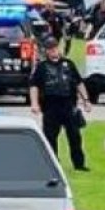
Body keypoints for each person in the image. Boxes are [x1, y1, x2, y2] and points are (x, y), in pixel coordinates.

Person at [29, 36, 92, 172]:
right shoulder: (42, 67)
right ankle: (53, 164)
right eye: (50, 49)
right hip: (50, 106)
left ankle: (79, 164)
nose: (53, 51)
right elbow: (34, 86)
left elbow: (79, 83)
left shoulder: (68, 64)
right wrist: (34, 104)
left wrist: (86, 101)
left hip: (68, 105)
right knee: (50, 137)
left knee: (75, 136)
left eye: (55, 48)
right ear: (46, 51)